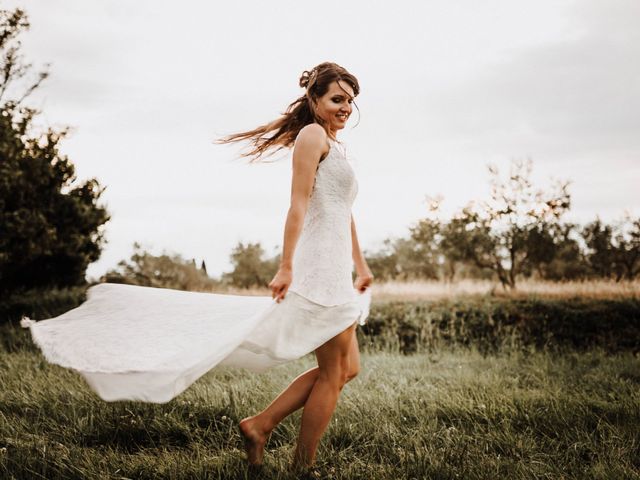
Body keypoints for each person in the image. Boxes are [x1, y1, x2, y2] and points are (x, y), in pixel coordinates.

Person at [21, 61, 373, 471]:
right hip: (318, 268)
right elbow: (297, 205)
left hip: (336, 268)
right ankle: (302, 465)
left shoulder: (335, 144)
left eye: (350, 100)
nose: (346, 106)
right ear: (314, 100)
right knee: (333, 372)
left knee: (347, 369)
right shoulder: (312, 136)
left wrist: (361, 265)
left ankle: (260, 424)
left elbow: (343, 213)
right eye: (336, 99)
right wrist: (285, 266)